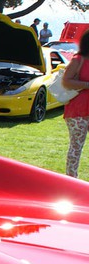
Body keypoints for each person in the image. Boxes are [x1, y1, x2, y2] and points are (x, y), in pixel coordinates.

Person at [62, 31, 89, 177]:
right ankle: (71, 179)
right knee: (76, 146)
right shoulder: (78, 60)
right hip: (78, 111)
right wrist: (87, 85)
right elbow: (66, 81)